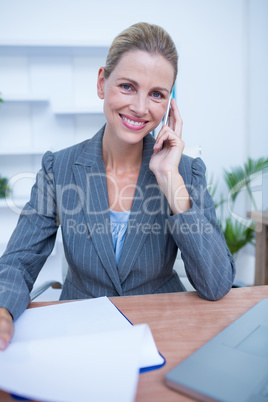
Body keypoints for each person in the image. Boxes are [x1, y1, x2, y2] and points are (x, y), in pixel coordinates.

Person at [0, 22, 236, 350]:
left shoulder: (186, 171)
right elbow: (19, 260)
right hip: (80, 333)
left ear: (169, 103)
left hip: (161, 333)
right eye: (127, 86)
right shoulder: (59, 168)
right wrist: (3, 310)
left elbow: (216, 284)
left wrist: (170, 181)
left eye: (157, 94)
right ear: (102, 82)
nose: (140, 107)